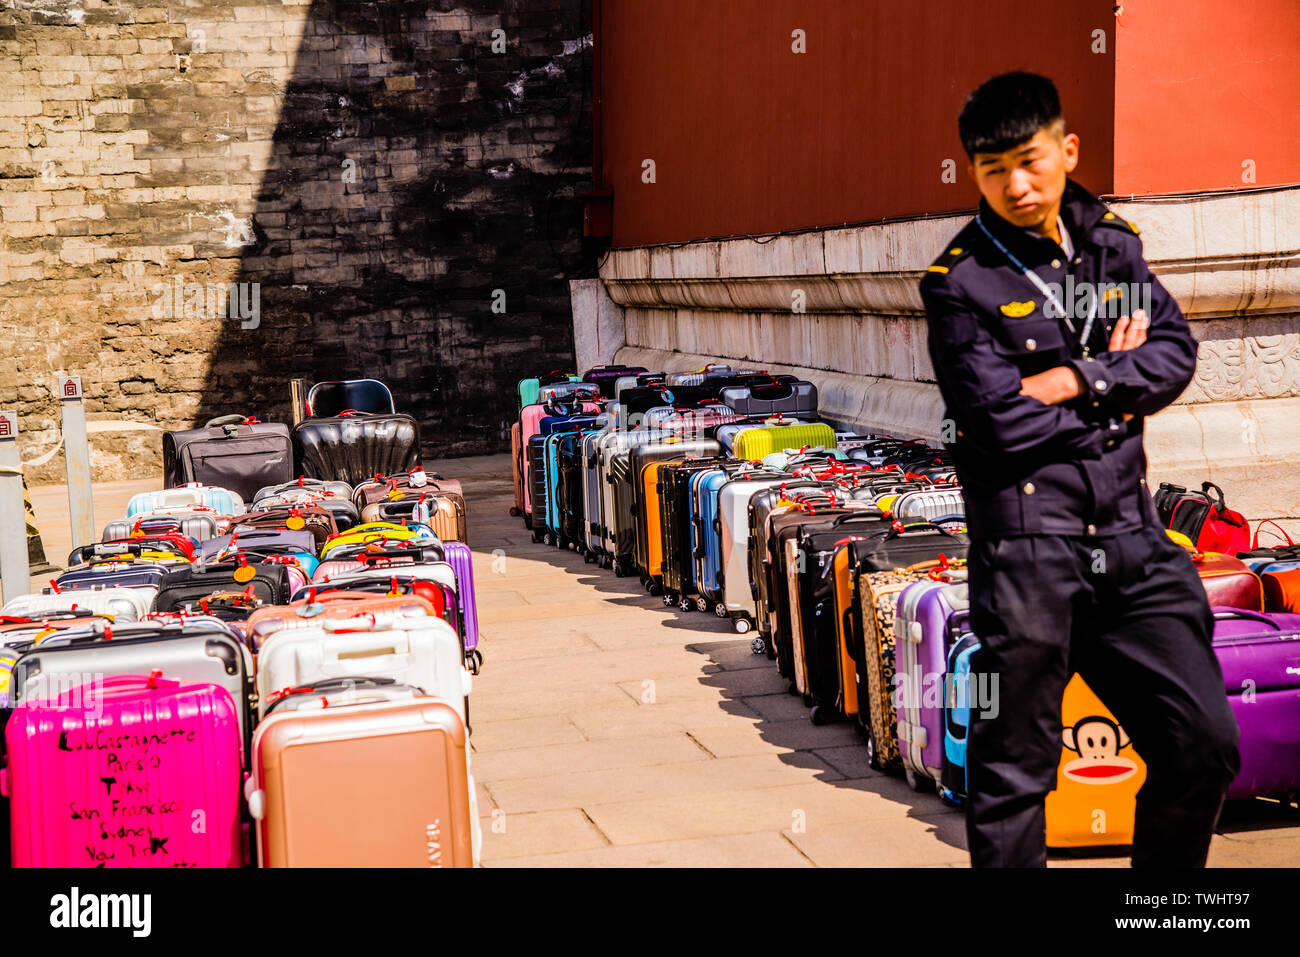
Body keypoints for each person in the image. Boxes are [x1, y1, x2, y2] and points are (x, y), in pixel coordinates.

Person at [920, 72, 1240, 868]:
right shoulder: (960, 283)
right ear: (974, 174)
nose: (1017, 186)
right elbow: (994, 422)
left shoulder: (1113, 245)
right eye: (994, 171)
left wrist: (1077, 378)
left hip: (1135, 543)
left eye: (1030, 161)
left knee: (1203, 742)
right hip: (1026, 557)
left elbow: (1174, 354)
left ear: (1067, 150)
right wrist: (1115, 382)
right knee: (1012, 772)